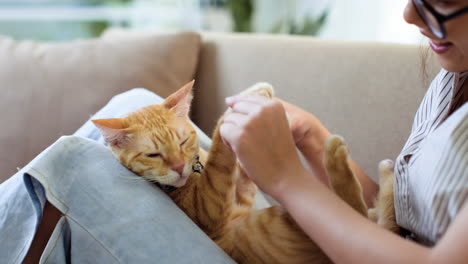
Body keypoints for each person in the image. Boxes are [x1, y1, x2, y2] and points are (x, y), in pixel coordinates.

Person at [220, 0, 468, 263]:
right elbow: (399, 224)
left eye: (443, 1)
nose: (409, 15)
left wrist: (286, 179)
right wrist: (313, 139)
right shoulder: (452, 76)